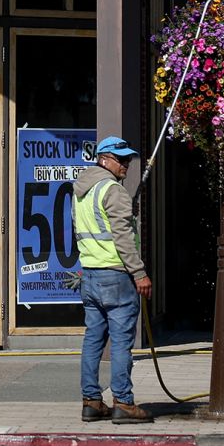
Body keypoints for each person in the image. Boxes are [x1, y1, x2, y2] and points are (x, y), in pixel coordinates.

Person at [75, 135, 154, 424]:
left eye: (129, 160)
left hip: (91, 275)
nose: (126, 165)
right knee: (121, 342)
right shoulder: (113, 191)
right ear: (104, 159)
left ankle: (91, 401)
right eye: (122, 160)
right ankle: (123, 402)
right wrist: (140, 273)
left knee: (93, 341)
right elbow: (122, 238)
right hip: (116, 275)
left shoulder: (82, 191)